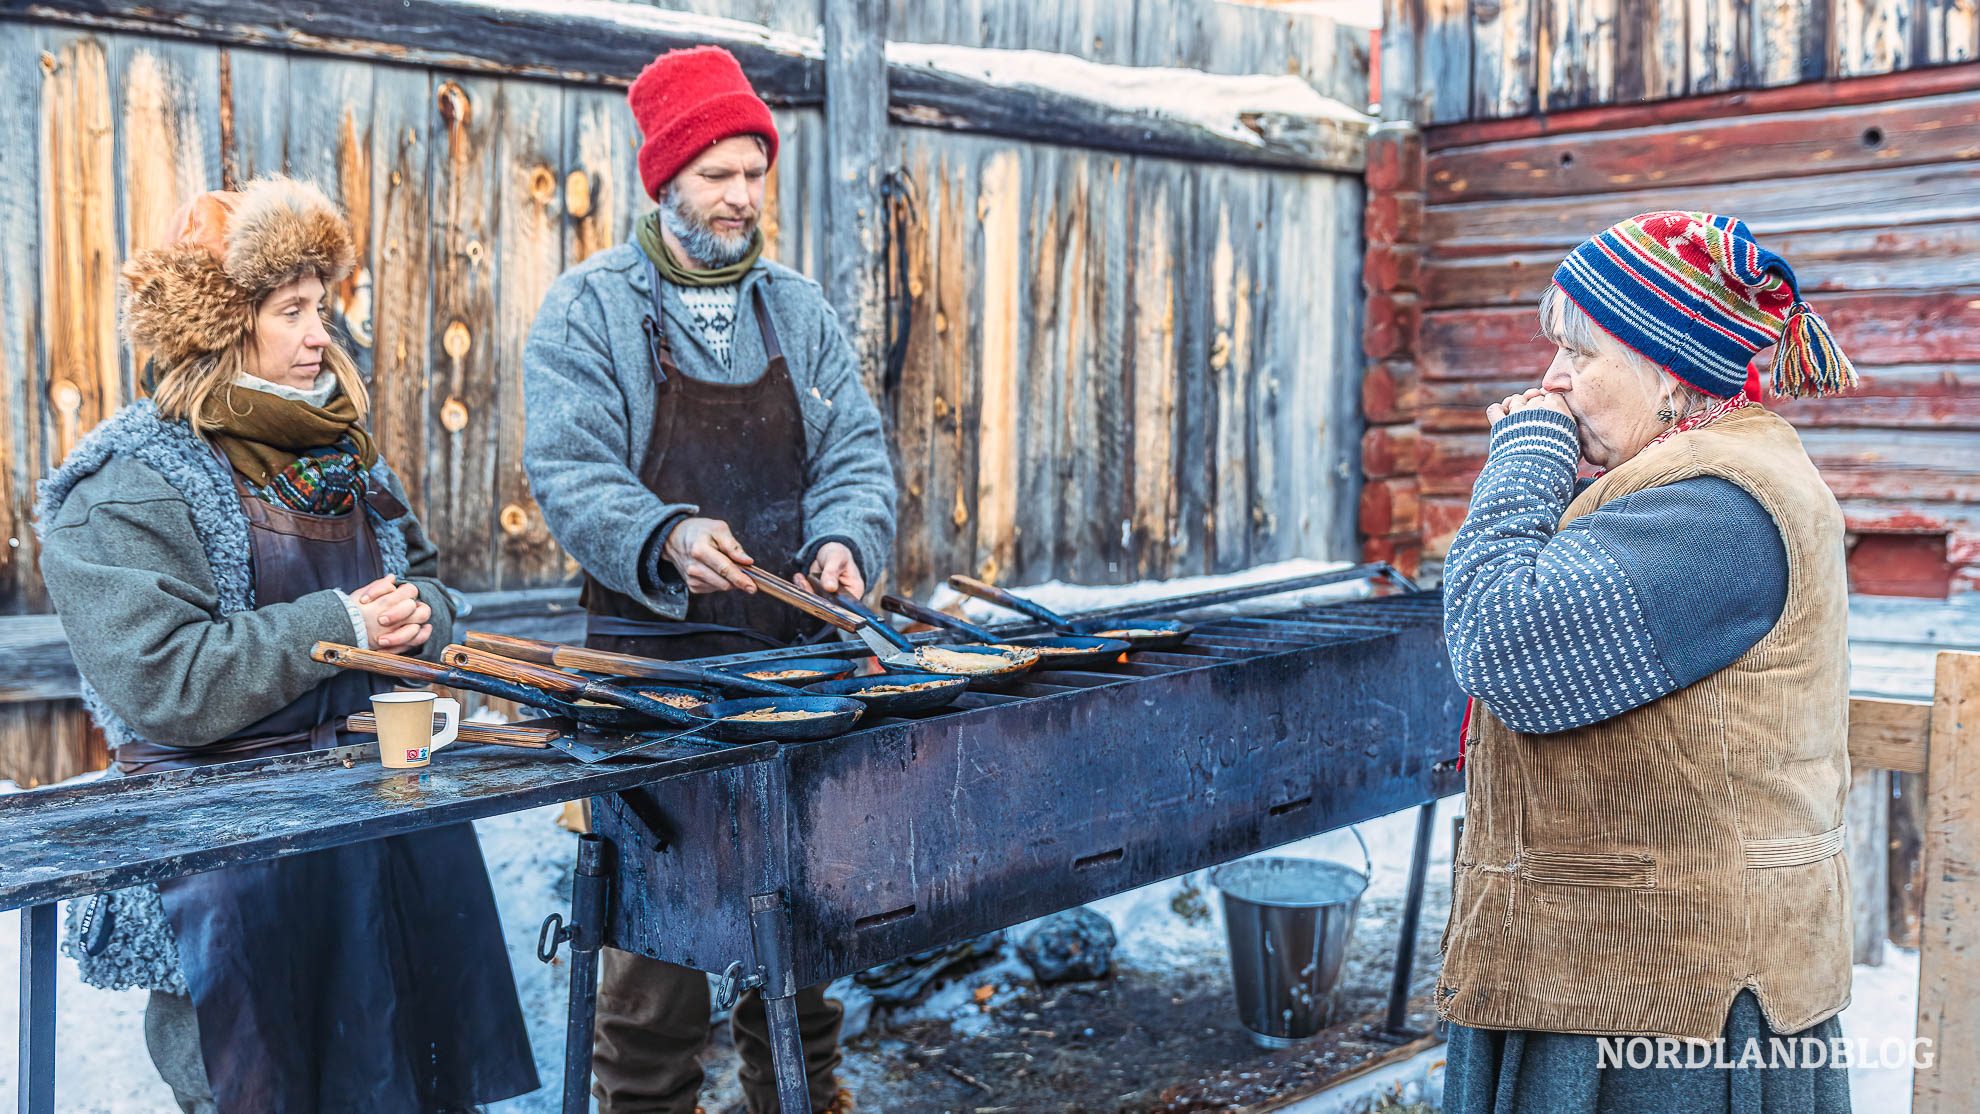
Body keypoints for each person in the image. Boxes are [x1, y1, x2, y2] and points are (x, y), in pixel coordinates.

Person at [36, 176, 538, 1114]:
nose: (323, 335)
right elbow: (164, 683)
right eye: (293, 310)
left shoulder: (343, 454)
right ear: (223, 326)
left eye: (324, 306)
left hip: (379, 829)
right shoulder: (129, 486)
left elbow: (426, 576)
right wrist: (342, 629)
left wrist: (423, 615)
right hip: (232, 867)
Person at [523, 45, 894, 1114]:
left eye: (755, 170)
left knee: (807, 936)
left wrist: (846, 544)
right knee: (656, 968)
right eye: (717, 173)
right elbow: (569, 467)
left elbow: (857, 456)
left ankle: (796, 1098)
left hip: (797, 671)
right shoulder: (591, 310)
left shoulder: (799, 310)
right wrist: (665, 534)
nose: (741, 195)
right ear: (666, 177)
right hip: (652, 682)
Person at [1436, 211, 1859, 1113]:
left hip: (1668, 1022)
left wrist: (1525, 456)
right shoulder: (1679, 482)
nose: (1551, 380)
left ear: (1670, 370)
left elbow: (1501, 643)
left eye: (1581, 356)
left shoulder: (1716, 507)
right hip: (1607, 973)